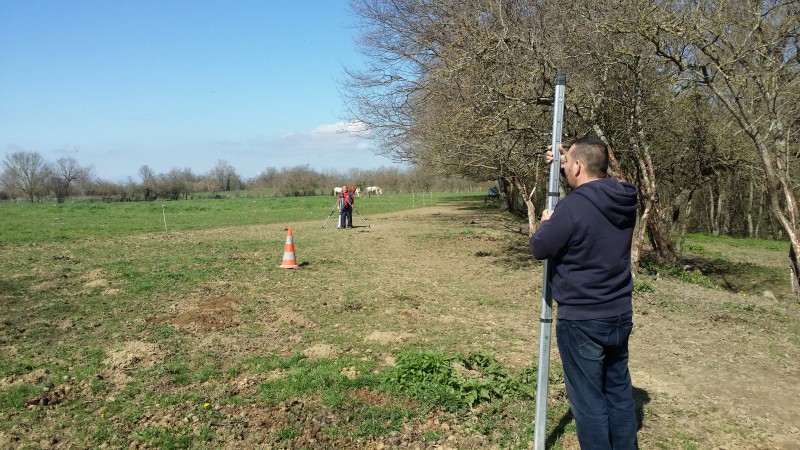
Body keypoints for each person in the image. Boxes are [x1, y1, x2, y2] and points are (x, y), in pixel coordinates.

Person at [529, 136, 639, 449]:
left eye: (569, 164)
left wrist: (547, 223)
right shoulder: (623, 197)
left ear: (578, 166)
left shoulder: (572, 208)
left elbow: (540, 247)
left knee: (589, 402)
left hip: (582, 320)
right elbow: (589, 199)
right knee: (617, 391)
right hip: (619, 312)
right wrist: (565, 159)